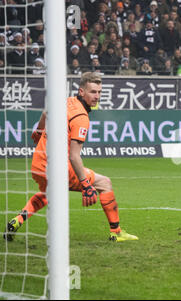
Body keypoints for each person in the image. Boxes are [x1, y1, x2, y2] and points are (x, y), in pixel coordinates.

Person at [4, 72, 138, 242]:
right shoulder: (81, 117)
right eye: (92, 92)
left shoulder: (65, 102)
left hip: (38, 164)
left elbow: (46, 112)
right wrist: (85, 184)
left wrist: (38, 132)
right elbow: (74, 156)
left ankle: (18, 220)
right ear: (81, 92)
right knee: (105, 183)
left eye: (99, 92)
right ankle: (116, 233)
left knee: (49, 193)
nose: (97, 96)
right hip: (57, 166)